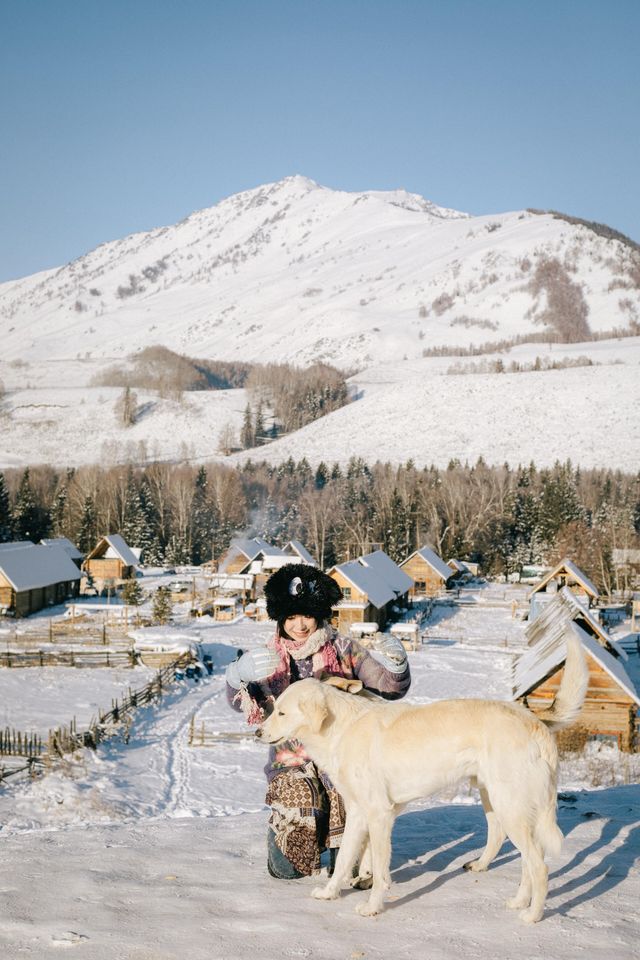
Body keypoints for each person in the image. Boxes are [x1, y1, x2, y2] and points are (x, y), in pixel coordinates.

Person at [225, 562, 411, 880]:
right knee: (287, 870)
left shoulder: (343, 650)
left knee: (349, 869)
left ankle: (339, 841)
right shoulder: (266, 657)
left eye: (307, 615)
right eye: (292, 617)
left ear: (320, 615)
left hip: (344, 757)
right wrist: (238, 674)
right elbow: (239, 701)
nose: (300, 625)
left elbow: (389, 689)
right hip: (290, 763)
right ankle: (304, 832)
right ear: (280, 618)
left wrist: (397, 666)